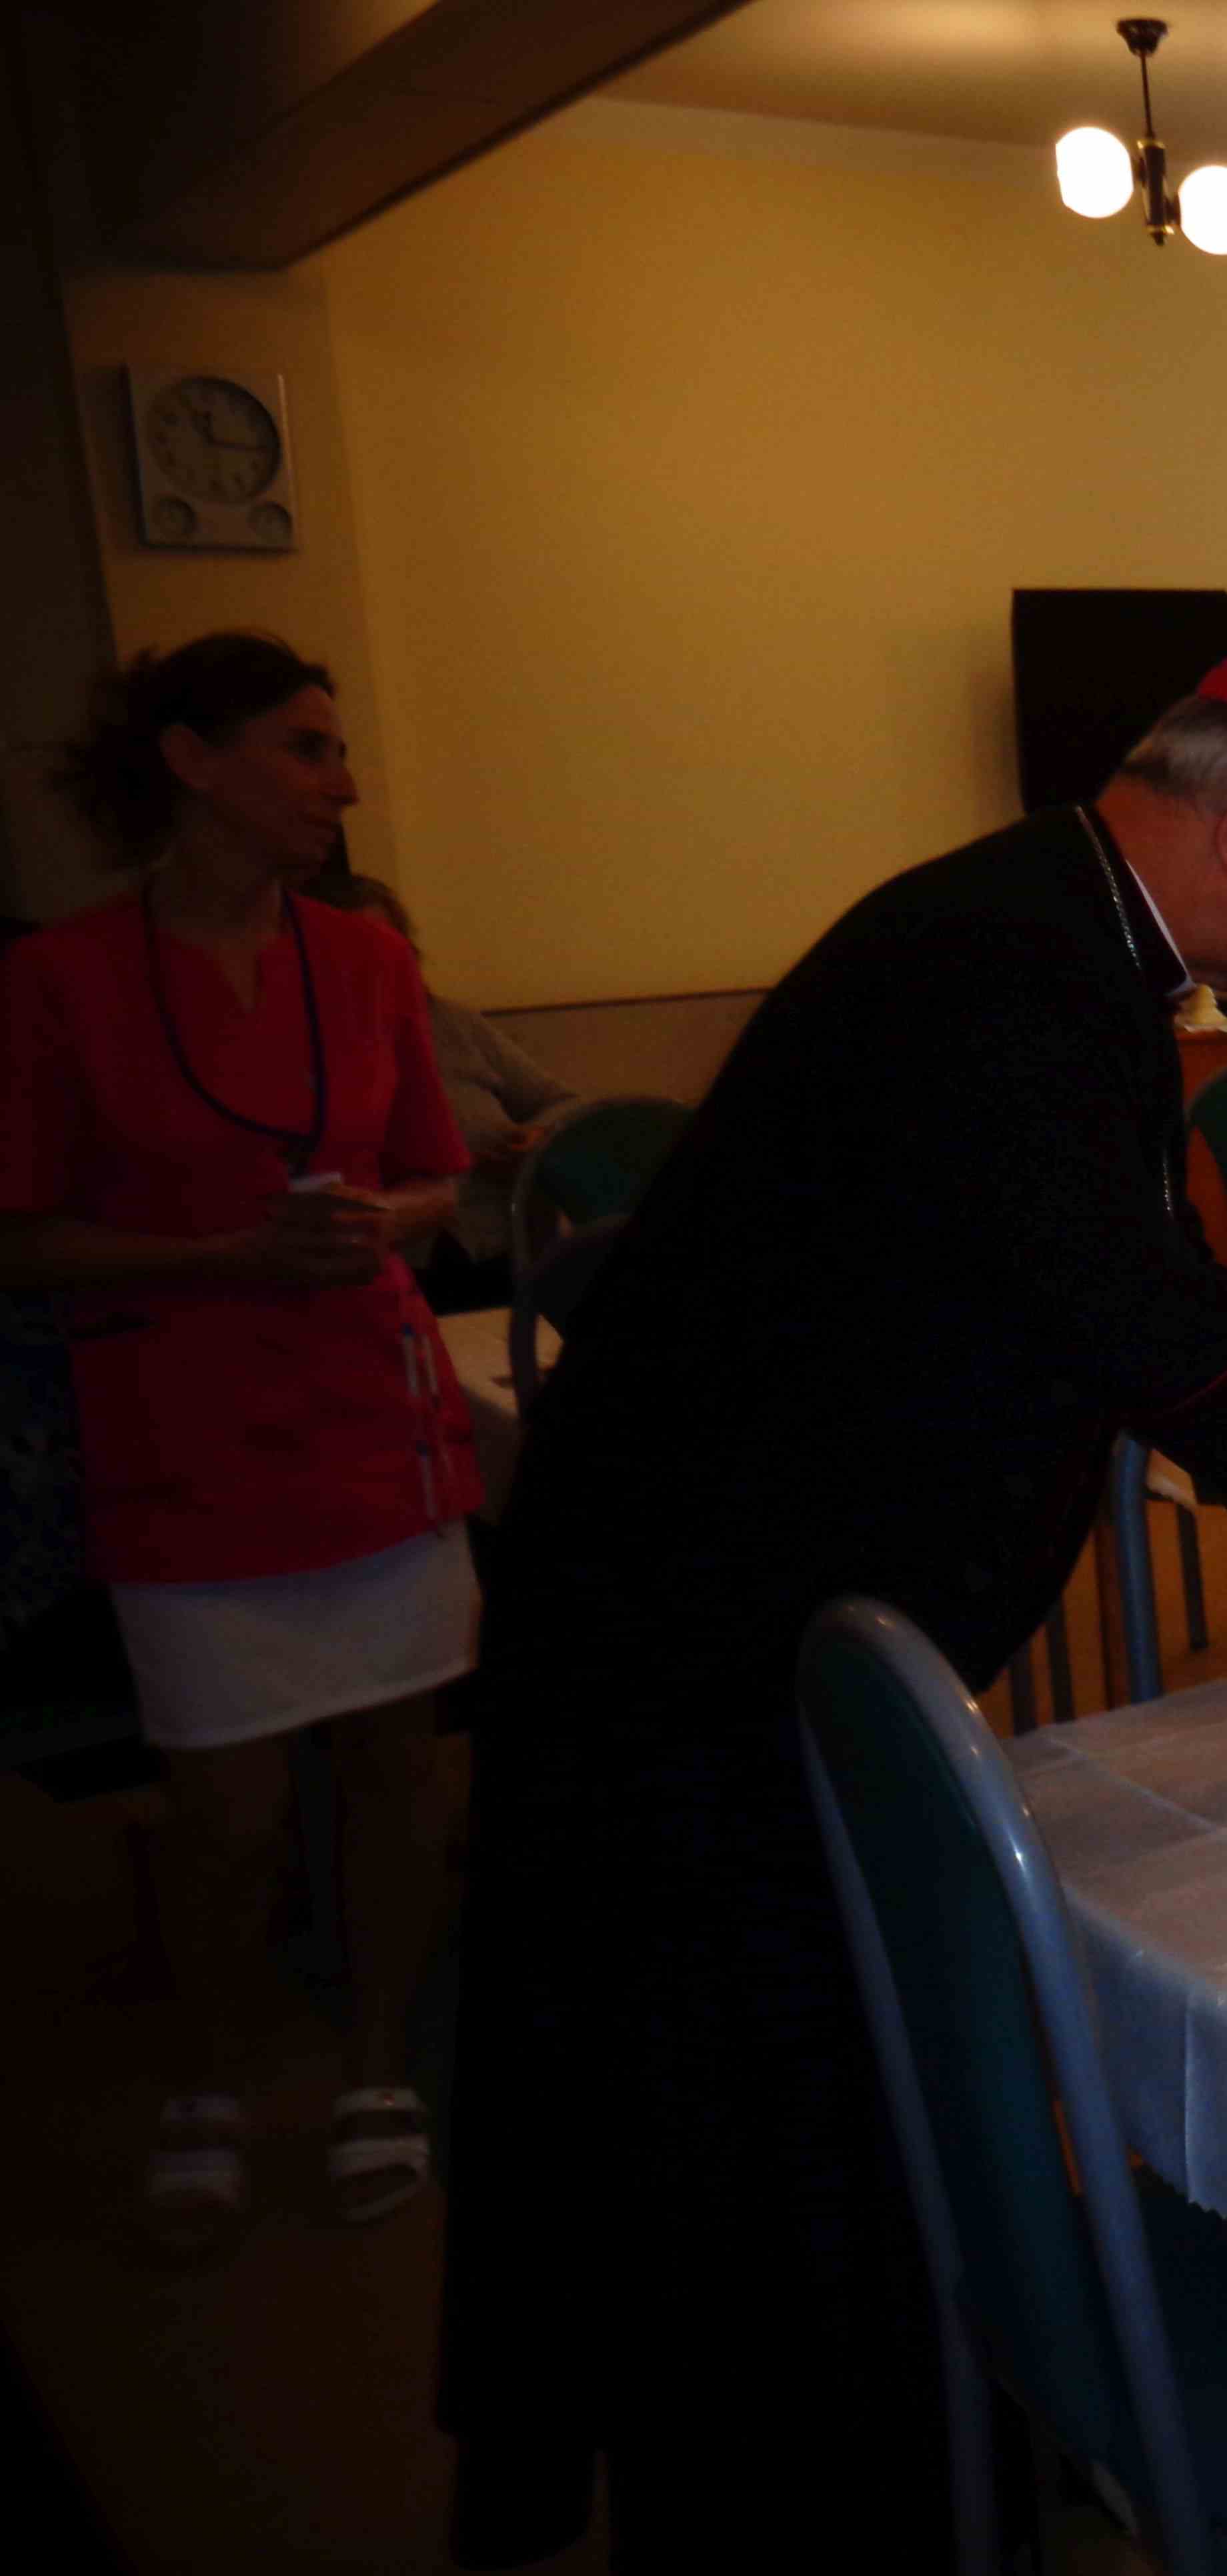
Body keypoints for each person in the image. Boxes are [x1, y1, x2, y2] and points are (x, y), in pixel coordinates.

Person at [439, 643, 1227, 2570]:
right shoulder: (1010, 968)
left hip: (731, 1597)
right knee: (740, 2120)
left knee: (800, 2090)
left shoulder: (1046, 931)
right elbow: (1115, 1298)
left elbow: (1098, 1284)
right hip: (693, 1632)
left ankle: (926, 2434)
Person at [0, 633, 477, 2257]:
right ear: (191, 763)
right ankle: (209, 2077)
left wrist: (381, 1223)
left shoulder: (367, 961)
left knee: (396, 1772)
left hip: (371, 1421)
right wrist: (220, 1258)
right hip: (186, 1443)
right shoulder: (60, 980)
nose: (342, 783)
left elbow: (436, 1179)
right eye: (304, 747)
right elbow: (21, 1238)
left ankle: (376, 2066)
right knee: (226, 1810)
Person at [309, 873, 579, 1312]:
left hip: (495, 1247)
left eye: (387, 945)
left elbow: (560, 1101)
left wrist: (537, 1136)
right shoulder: (311, 1043)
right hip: (392, 1265)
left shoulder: (455, 1024)